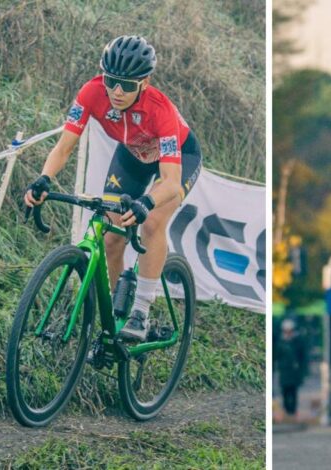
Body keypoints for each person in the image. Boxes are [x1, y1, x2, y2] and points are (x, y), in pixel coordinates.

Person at [24, 35, 202, 341]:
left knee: (153, 222)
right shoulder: (92, 93)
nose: (117, 91)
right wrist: (44, 179)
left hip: (177, 158)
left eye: (128, 85)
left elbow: (170, 183)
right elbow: (65, 146)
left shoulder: (161, 110)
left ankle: (141, 313)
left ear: (144, 82)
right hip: (132, 154)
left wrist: (146, 201)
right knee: (109, 235)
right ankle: (117, 313)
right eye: (111, 81)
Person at [276, 318, 308, 421]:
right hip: (284, 370)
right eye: (286, 330)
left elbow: (302, 357)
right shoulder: (280, 341)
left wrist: (302, 371)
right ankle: (287, 411)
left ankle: (293, 412)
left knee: (293, 392)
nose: (288, 332)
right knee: (285, 392)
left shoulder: (297, 341)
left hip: (294, 371)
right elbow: (276, 355)